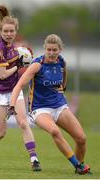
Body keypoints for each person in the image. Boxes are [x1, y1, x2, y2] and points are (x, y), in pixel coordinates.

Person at [9, 34, 91, 175]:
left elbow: (64, 75)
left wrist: (63, 88)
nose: (52, 53)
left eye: (54, 50)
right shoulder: (37, 65)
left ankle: (80, 166)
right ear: (45, 49)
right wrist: (11, 105)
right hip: (39, 109)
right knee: (54, 131)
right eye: (49, 50)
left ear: (60, 50)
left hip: (59, 106)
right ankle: (77, 165)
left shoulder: (61, 62)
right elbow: (19, 85)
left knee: (81, 138)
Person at [0, 4, 41, 171]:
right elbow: (2, 75)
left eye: (12, 31)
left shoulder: (16, 48)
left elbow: (24, 60)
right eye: (5, 31)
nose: (9, 34)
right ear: (1, 32)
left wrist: (28, 59)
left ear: (16, 31)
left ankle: (34, 159)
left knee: (23, 123)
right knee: (1, 133)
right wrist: (19, 65)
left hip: (14, 90)